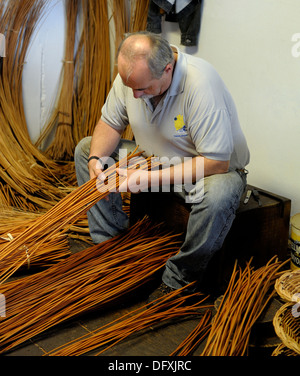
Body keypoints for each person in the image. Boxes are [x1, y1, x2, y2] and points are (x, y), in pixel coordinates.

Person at [75, 31, 250, 298]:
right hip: (152, 161)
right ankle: (109, 249)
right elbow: (110, 123)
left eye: (142, 88)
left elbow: (217, 161)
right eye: (129, 86)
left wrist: (144, 180)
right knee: (86, 148)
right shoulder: (133, 78)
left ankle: (179, 278)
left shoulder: (201, 83)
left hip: (201, 171)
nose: (134, 95)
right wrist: (96, 160)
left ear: (168, 69)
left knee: (221, 194)